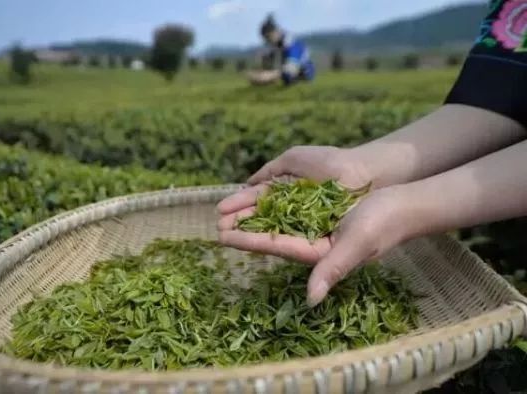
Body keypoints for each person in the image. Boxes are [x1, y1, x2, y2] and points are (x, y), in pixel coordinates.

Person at [218, 0, 527, 307]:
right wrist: (360, 167)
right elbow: (498, 89)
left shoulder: (290, 45)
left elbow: (293, 68)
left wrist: (404, 208)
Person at [248, 14, 315, 86]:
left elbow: (291, 67)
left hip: (304, 72)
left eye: (268, 37)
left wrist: (269, 76)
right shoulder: (278, 45)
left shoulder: (291, 43)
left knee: (288, 75)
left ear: (275, 32)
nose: (267, 42)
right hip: (289, 72)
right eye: (265, 39)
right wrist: (259, 74)